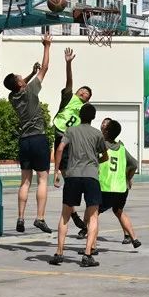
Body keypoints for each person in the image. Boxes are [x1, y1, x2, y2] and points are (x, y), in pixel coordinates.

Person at [3, 33, 53, 234]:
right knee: (43, 179)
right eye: (20, 77)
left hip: (24, 141)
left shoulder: (12, 97)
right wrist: (46, 46)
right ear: (21, 84)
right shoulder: (31, 90)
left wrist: (31, 74)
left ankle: (20, 218)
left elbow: (19, 85)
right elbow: (45, 68)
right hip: (38, 138)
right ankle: (40, 218)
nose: (21, 77)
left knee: (25, 181)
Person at [50, 103, 107, 267]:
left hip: (72, 175)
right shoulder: (97, 134)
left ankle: (59, 252)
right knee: (93, 216)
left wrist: (56, 170)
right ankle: (88, 254)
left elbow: (60, 148)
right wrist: (95, 161)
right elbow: (105, 156)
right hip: (91, 176)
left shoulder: (71, 131)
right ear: (93, 117)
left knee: (65, 215)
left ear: (80, 115)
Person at [51, 47, 93, 232]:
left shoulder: (85, 109)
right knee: (68, 178)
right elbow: (69, 81)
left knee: (73, 179)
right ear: (77, 92)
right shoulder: (69, 98)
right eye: (81, 91)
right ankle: (73, 213)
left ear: (87, 100)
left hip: (73, 141)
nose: (83, 94)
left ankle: (74, 211)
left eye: (86, 95)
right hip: (61, 134)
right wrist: (68, 64)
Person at [98, 119, 141, 248]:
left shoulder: (101, 146)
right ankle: (134, 238)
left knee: (92, 214)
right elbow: (134, 164)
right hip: (121, 189)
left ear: (106, 132)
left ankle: (91, 245)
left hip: (106, 188)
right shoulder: (121, 148)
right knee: (119, 211)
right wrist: (128, 177)